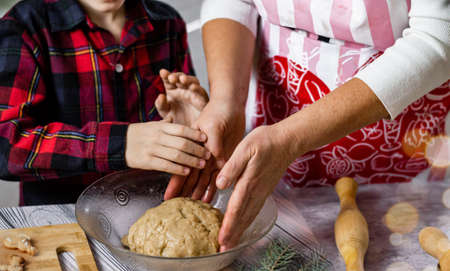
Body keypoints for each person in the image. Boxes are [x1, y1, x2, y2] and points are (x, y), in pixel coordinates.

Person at [164, 0, 450, 251]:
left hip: (395, 163)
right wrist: (226, 100)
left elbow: (438, 36)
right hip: (271, 145)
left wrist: (289, 138)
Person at [0, 0, 210, 205]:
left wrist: (193, 127)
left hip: (153, 209)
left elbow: (182, 136)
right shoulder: (23, 26)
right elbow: (6, 148)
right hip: (59, 220)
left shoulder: (168, 22)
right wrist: (122, 144)